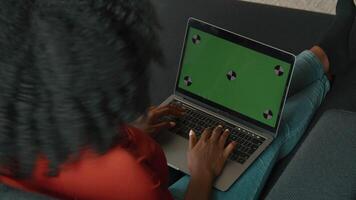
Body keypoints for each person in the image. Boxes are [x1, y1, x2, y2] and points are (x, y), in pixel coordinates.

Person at [0, 0, 354, 200]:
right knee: (263, 131)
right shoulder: (126, 180)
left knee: (246, 113)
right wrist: (202, 173)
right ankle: (326, 61)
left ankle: (323, 58)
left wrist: (124, 132)